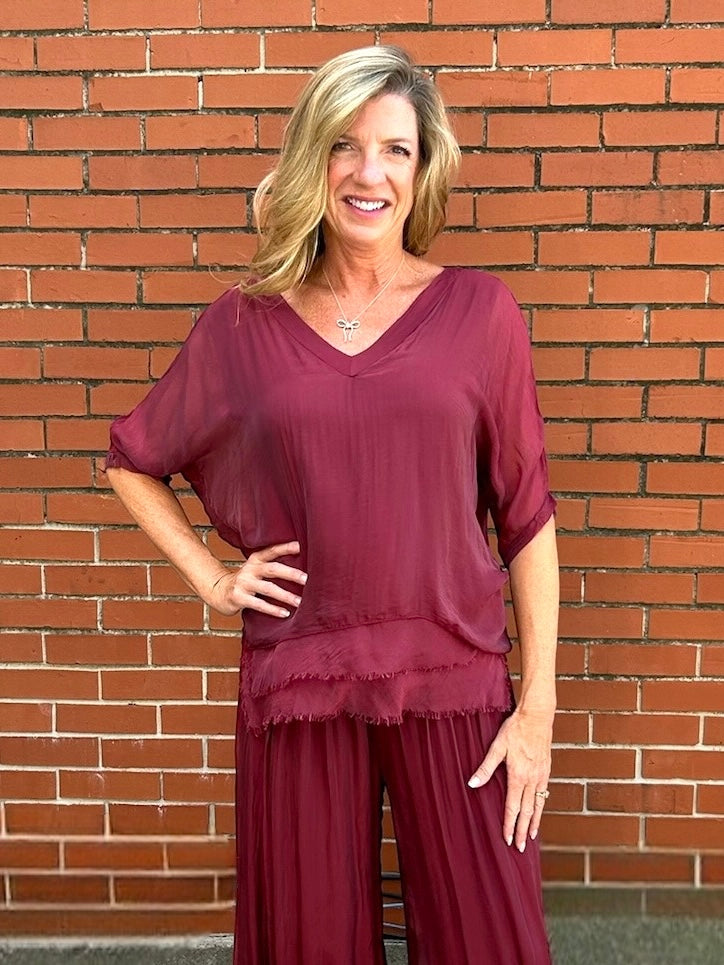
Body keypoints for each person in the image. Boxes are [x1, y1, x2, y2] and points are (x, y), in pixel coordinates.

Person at [105, 45, 558, 965]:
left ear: (423, 169)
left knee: (491, 942)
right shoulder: (246, 320)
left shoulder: (482, 313)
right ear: (312, 157)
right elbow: (133, 459)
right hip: (300, 683)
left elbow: (527, 517)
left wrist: (537, 712)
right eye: (344, 145)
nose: (368, 173)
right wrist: (213, 579)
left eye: (395, 149)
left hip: (456, 680)